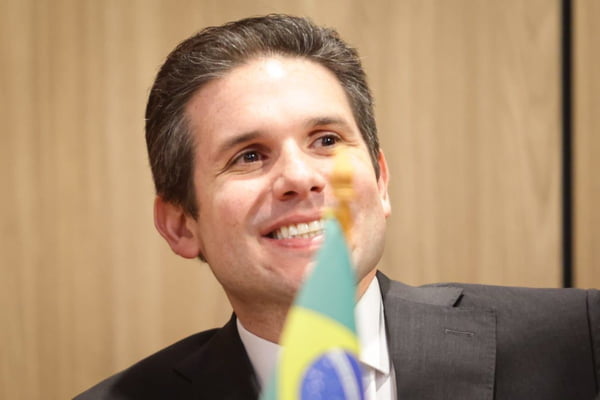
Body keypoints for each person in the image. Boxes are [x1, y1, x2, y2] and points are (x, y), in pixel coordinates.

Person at [75, 14, 599, 399]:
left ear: (381, 180)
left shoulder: (580, 341)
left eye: (326, 140)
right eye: (249, 155)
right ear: (179, 225)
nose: (300, 178)